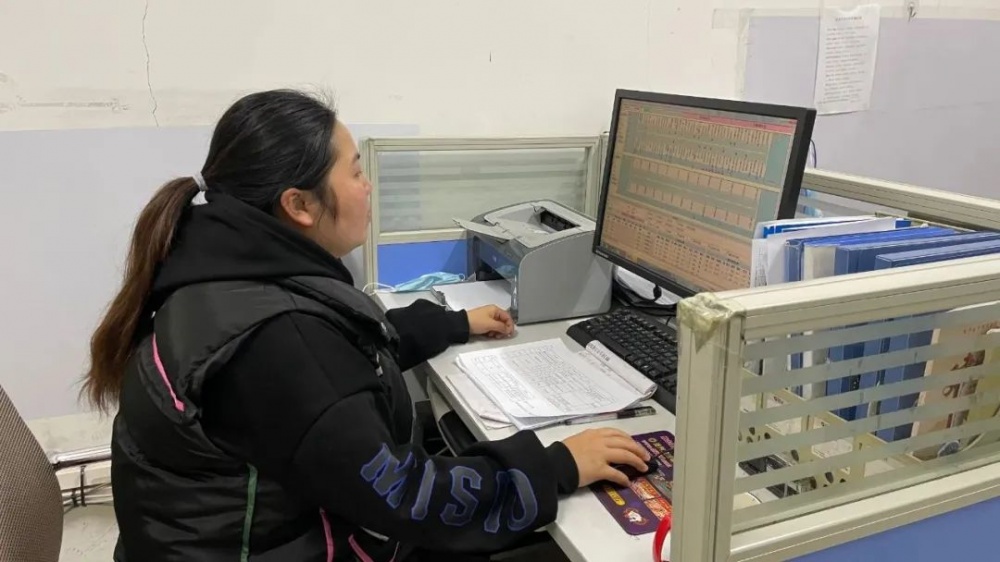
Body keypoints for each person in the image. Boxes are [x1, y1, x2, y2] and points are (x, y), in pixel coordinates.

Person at [85, 89, 651, 562]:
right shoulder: (279, 341)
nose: (368, 186)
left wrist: (453, 324)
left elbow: (344, 350)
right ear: (299, 205)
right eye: (355, 171)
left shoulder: (224, 274)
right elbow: (407, 496)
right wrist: (555, 466)